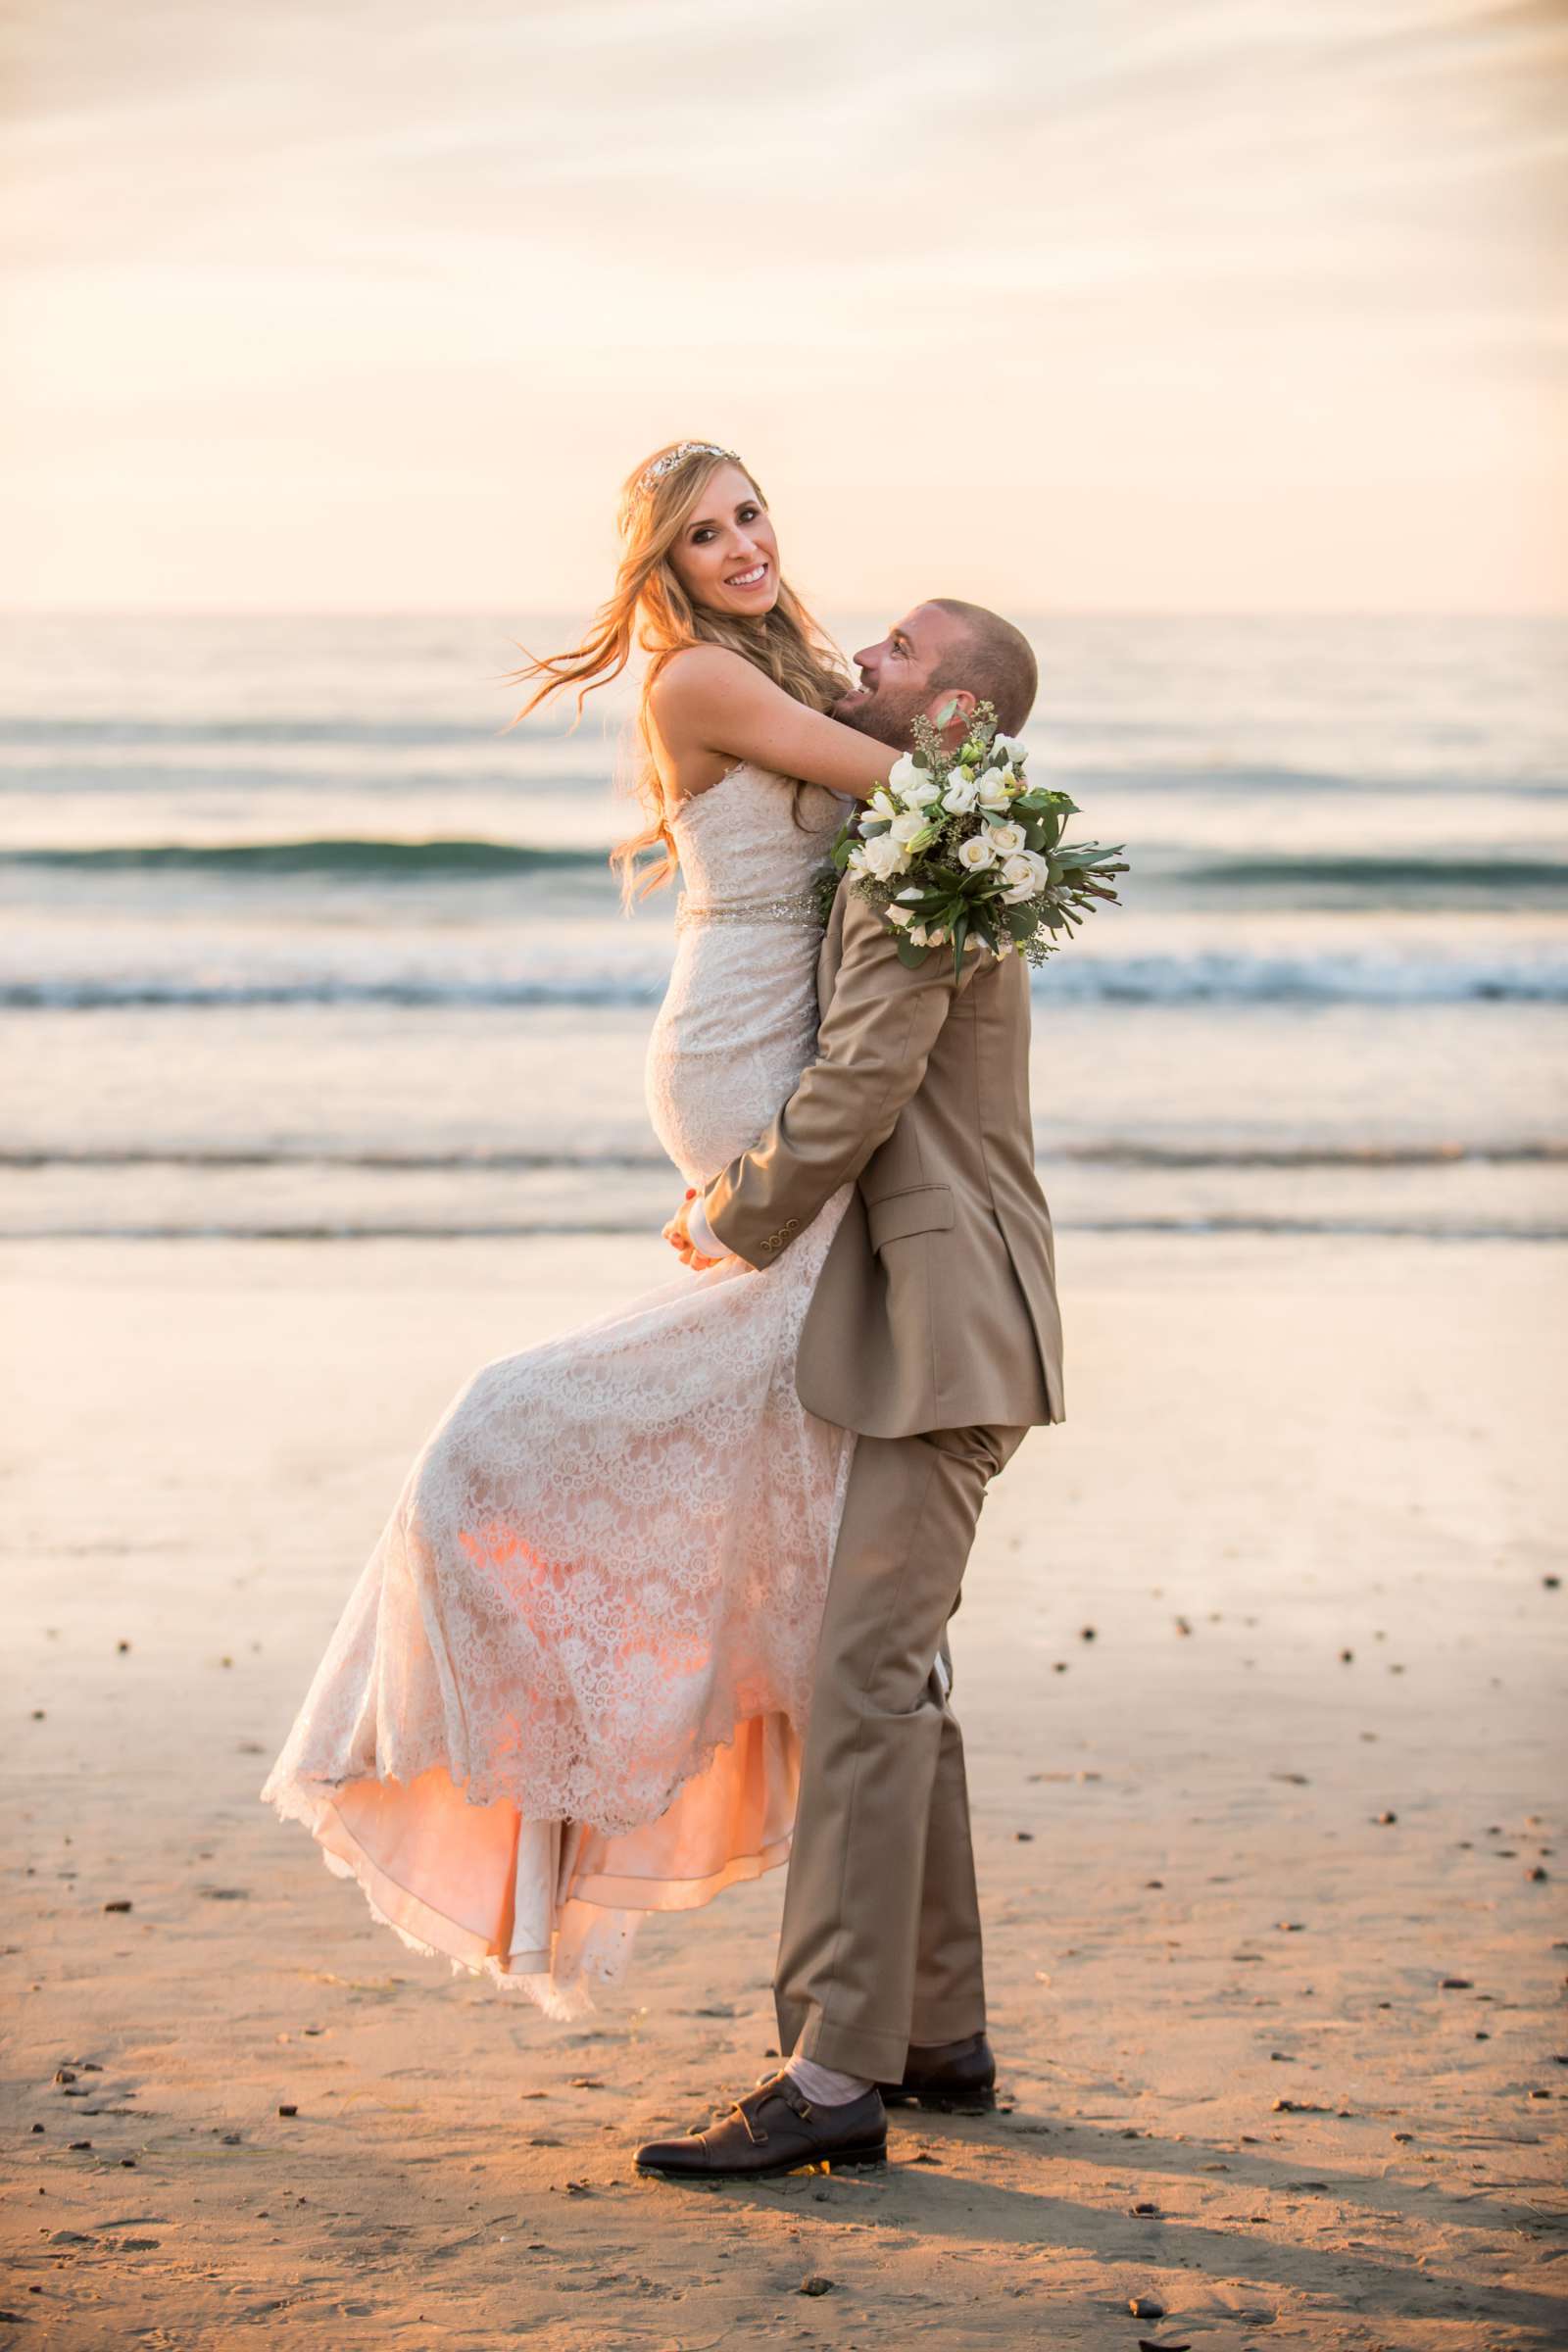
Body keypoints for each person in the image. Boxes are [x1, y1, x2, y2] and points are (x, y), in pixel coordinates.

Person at [262, 441, 1061, 2081]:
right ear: (666, 561)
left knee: (873, 1674)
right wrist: (962, 758)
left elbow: (861, 1069)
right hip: (836, 1213)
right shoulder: (758, 706)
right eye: (704, 530)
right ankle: (926, 2036)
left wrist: (747, 1204)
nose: (746, 545)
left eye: (753, 512)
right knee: (881, 1665)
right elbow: (899, 787)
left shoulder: (899, 808)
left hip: (894, 1270)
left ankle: (860, 2067)